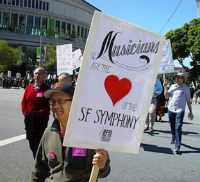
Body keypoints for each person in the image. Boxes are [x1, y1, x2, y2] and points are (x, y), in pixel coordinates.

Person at [30, 82, 110, 181]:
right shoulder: (49, 133)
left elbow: (104, 172)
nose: (55, 106)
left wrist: (102, 165)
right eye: (52, 101)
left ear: (75, 102)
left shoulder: (91, 134)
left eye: (61, 101)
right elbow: (38, 170)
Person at [21, 67, 50, 158]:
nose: (37, 75)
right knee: (31, 142)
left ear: (44, 76)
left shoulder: (46, 89)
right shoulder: (29, 88)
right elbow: (24, 102)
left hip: (40, 120)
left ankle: (39, 165)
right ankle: (38, 161)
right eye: (36, 73)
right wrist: (27, 114)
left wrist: (38, 115)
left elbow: (48, 105)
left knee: (38, 143)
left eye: (40, 74)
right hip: (29, 120)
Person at [164, 73, 194, 155]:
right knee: (172, 125)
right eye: (176, 77)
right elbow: (166, 97)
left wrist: (190, 112)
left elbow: (188, 101)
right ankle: (173, 136)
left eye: (179, 77)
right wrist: (165, 87)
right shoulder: (172, 87)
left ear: (183, 79)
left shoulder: (186, 89)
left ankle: (177, 146)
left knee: (178, 126)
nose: (177, 78)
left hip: (180, 110)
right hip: (171, 109)